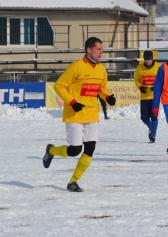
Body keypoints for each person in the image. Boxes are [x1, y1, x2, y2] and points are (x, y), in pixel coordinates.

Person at [42, 37, 116, 192]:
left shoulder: (102, 69)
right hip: (74, 115)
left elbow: (101, 88)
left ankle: (73, 182)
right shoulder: (76, 67)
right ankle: (51, 150)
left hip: (91, 115)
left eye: (102, 50)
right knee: (74, 150)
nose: (101, 53)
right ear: (89, 50)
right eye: (98, 50)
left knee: (90, 149)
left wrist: (108, 97)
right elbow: (59, 86)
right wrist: (73, 102)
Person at [134, 50, 160, 142]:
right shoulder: (139, 68)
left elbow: (162, 79)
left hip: (155, 97)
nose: (148, 61)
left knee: (154, 116)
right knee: (144, 117)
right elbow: (136, 79)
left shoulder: (158, 67)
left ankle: (153, 136)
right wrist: (140, 87)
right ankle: (151, 129)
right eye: (146, 59)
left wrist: (156, 87)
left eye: (149, 59)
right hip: (144, 97)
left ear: (152, 59)